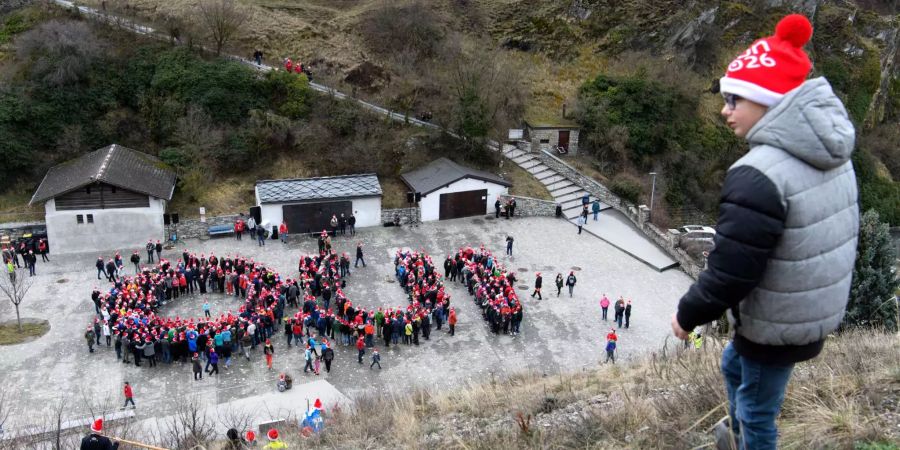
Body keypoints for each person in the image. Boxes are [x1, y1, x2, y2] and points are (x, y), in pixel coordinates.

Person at [669, 15, 858, 450]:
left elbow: (732, 269)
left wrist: (688, 314)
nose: (724, 109)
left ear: (769, 101)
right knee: (735, 365)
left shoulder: (759, 174)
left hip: (775, 321)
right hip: (806, 312)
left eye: (735, 98)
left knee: (757, 410)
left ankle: (744, 440)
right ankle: (737, 435)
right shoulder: (829, 153)